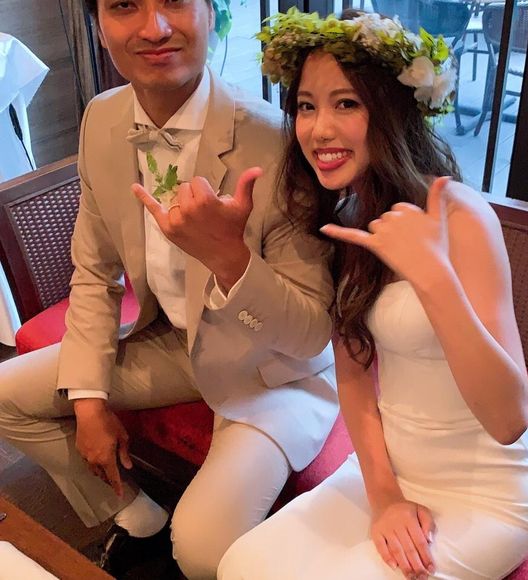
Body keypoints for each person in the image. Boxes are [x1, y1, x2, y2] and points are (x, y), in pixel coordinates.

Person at [0, 1, 338, 578]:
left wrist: (230, 258)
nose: (154, 28)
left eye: (175, 0)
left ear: (212, 12)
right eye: (125, 5)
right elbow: (94, 273)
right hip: (176, 345)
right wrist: (89, 401)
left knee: (201, 552)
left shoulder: (278, 141)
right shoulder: (103, 118)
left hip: (273, 369)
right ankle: (135, 516)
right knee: (6, 396)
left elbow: (310, 333)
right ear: (98, 25)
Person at [218, 9, 528, 580]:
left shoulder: (461, 216)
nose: (318, 129)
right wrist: (385, 496)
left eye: (346, 103)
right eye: (306, 106)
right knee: (240, 565)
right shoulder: (348, 212)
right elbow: (351, 376)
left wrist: (433, 278)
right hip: (387, 473)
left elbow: (508, 419)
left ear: (393, 111)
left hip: (487, 496)